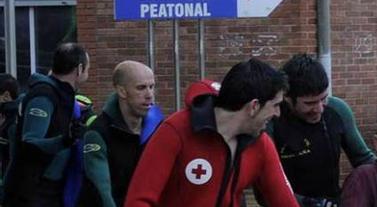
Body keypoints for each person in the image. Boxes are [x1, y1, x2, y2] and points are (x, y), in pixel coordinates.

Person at [123, 58, 300, 207]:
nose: (278, 114)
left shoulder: (261, 144)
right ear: (254, 106)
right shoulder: (176, 131)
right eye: (275, 105)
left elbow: (286, 203)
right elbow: (138, 200)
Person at [264, 53, 375, 206]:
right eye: (310, 103)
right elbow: (265, 189)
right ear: (287, 98)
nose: (319, 109)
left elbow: (363, 159)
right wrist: (309, 204)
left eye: (323, 99)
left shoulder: (337, 110)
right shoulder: (271, 121)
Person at [4, 42, 90, 207]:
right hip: (32, 191)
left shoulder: (64, 96)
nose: (88, 74)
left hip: (50, 189)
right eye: (88, 69)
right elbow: (30, 142)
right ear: (79, 69)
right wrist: (65, 140)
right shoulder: (44, 95)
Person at [78, 61, 163, 207]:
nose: (149, 95)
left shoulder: (158, 127)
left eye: (152, 87)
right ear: (122, 91)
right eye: (141, 88)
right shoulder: (98, 133)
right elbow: (102, 191)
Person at [0, 73, 20, 191]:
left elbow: (14, 162)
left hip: (11, 190)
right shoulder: (5, 117)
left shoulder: (14, 122)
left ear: (6, 95)